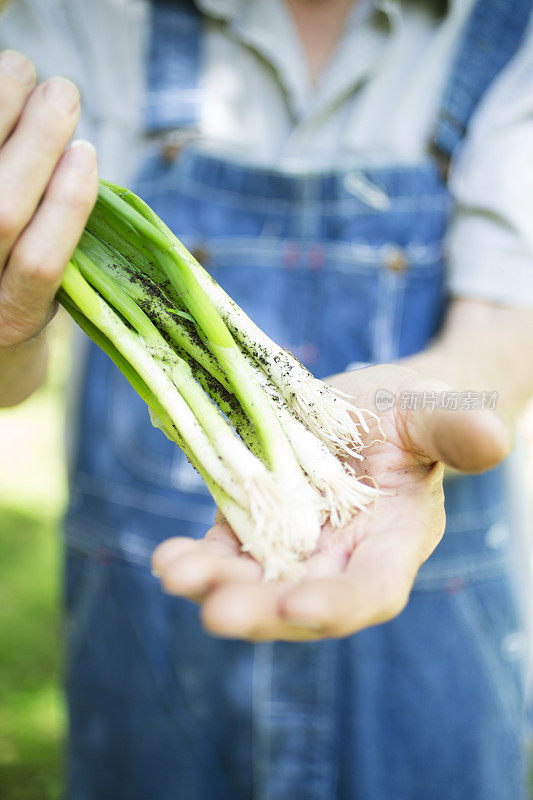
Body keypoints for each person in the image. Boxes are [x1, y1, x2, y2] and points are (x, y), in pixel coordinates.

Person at [0, 0, 532, 797]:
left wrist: (447, 390)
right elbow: (16, 373)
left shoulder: (510, 26)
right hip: (150, 640)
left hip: (432, 638)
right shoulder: (77, 17)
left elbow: (506, 311)